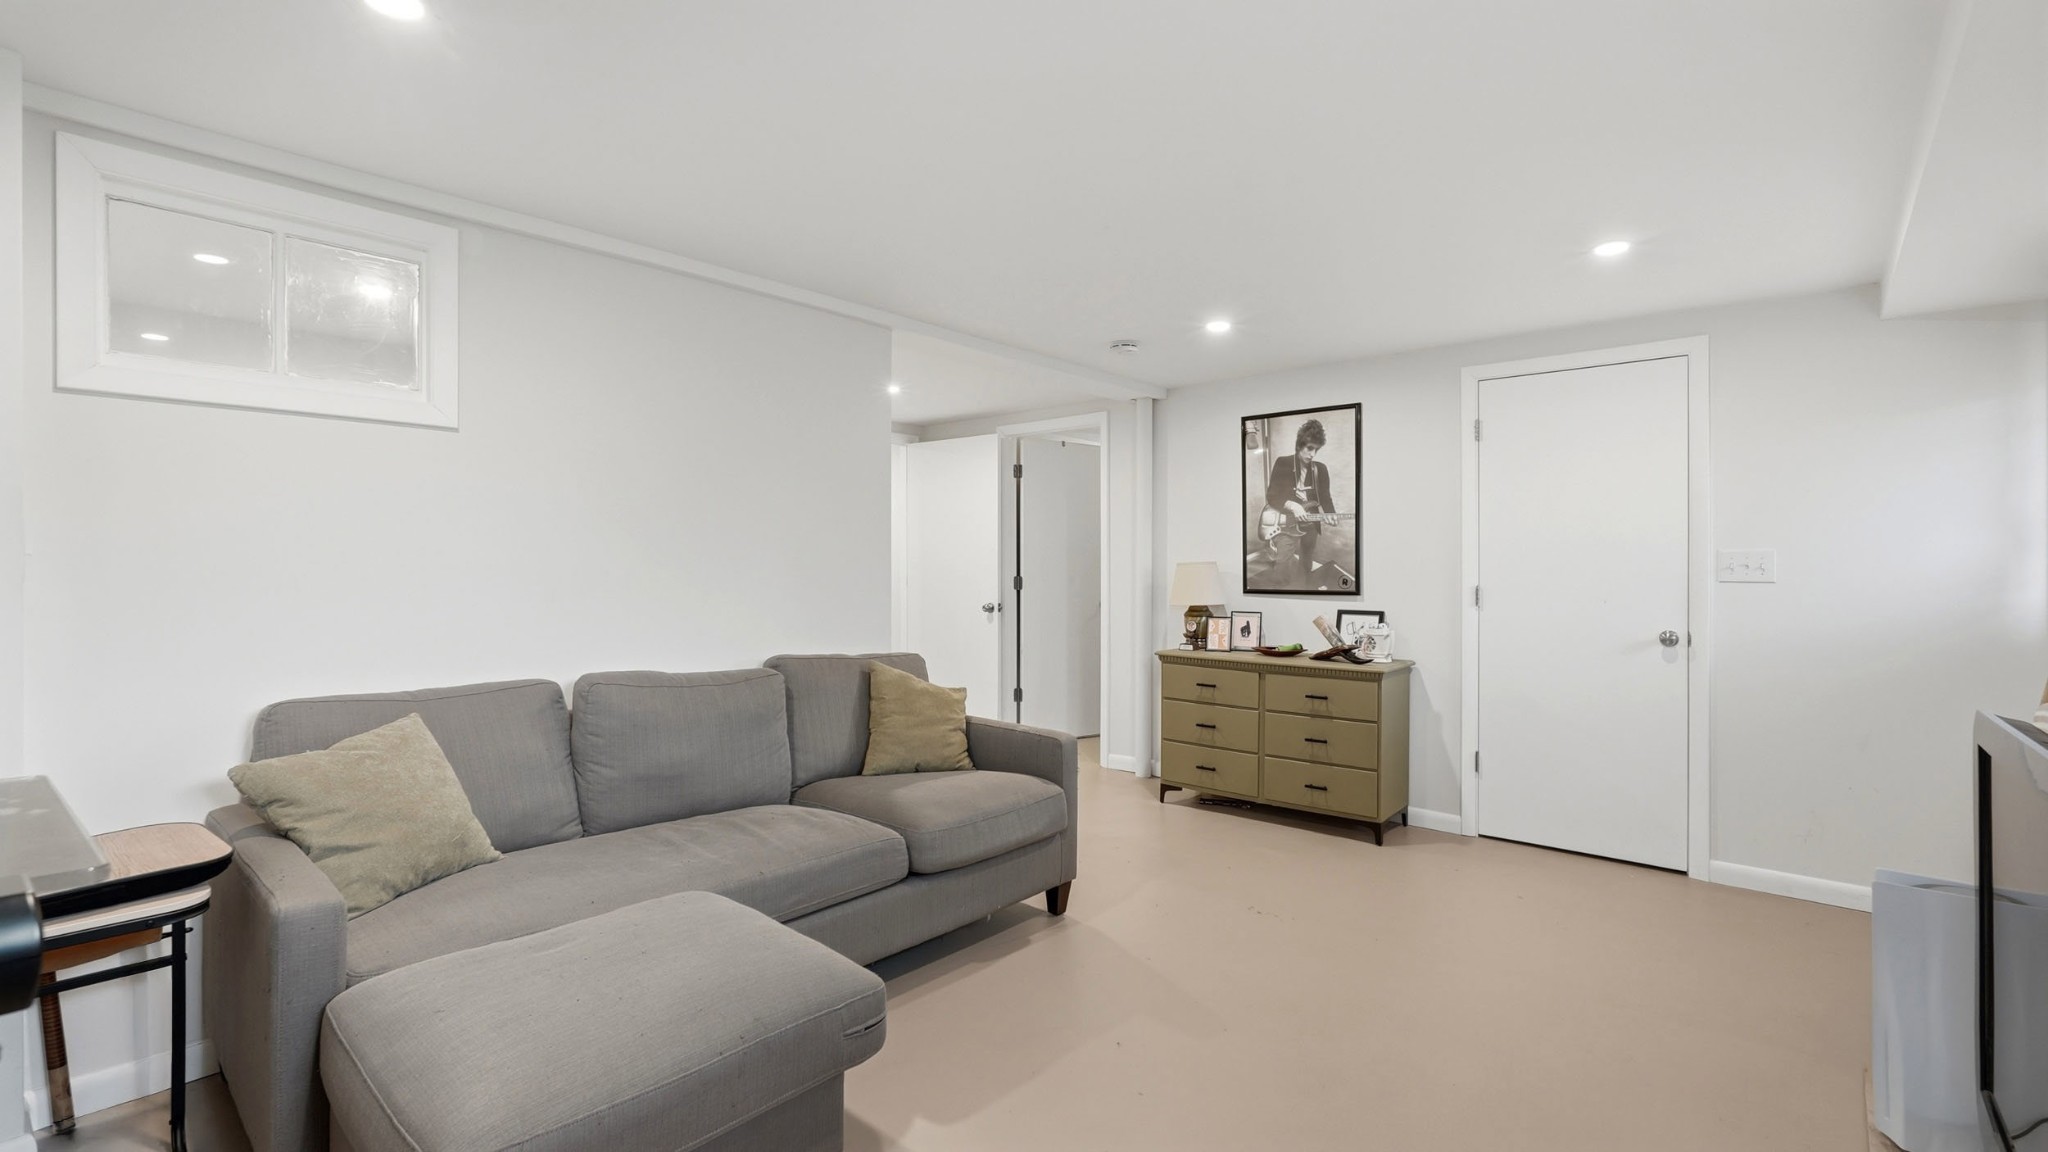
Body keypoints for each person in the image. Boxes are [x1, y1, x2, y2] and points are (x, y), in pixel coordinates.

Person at [1261, 419, 1334, 587]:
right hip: (1287, 522)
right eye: (1309, 448)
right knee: (1282, 565)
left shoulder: (1321, 469)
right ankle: (1279, 592)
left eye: (1316, 450)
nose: (1312, 454)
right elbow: (1272, 495)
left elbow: (1325, 497)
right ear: (1299, 445)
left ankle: (1304, 589)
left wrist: (1331, 514)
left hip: (1310, 523)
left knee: (1306, 561)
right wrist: (1292, 505)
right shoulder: (1283, 463)